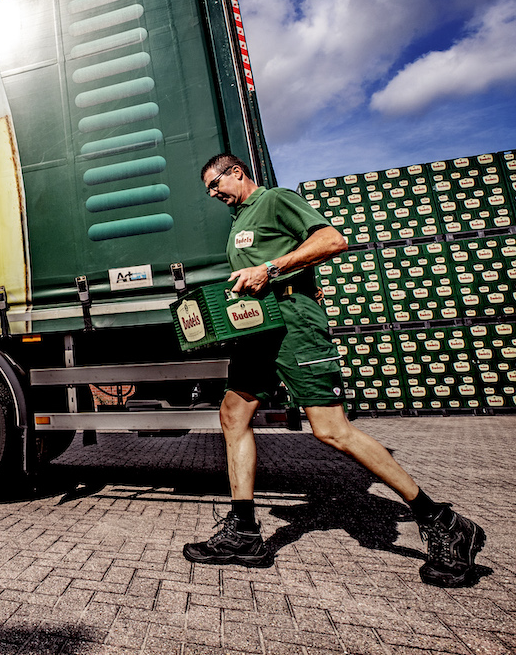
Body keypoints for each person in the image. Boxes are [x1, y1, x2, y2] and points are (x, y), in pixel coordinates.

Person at [183, 154, 486, 588]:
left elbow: (332, 240)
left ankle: (444, 522)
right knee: (233, 414)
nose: (213, 193)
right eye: (208, 189)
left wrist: (272, 269)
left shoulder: (275, 200)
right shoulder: (240, 220)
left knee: (330, 430)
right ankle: (245, 532)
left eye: (215, 183)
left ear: (236, 172)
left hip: (293, 327)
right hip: (259, 329)